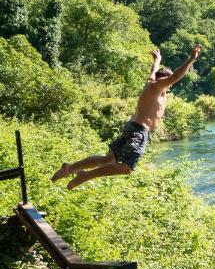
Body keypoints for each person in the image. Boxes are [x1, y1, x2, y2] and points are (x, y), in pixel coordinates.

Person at [52, 45, 202, 189]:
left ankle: (70, 168)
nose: (170, 84)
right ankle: (84, 176)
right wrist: (191, 59)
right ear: (163, 80)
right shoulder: (157, 86)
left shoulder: (151, 83)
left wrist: (157, 60)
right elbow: (176, 76)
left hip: (131, 127)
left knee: (108, 159)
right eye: (168, 82)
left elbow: (154, 71)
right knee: (127, 168)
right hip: (138, 131)